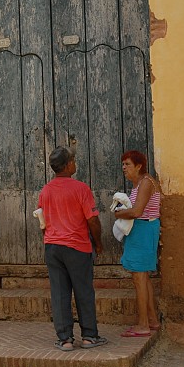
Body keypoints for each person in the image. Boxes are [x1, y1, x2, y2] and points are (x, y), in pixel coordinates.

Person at [38, 146, 108, 351]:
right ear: (68, 165)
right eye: (74, 160)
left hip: (53, 247)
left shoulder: (46, 190)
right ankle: (89, 337)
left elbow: (42, 220)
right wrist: (98, 243)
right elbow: (93, 220)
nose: (75, 163)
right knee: (84, 290)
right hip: (77, 246)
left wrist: (50, 240)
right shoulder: (80, 189)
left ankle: (65, 339)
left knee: (59, 293)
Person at [114, 150, 161, 337]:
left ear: (139, 166)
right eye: (123, 164)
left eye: (128, 164)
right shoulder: (140, 184)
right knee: (142, 278)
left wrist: (118, 213)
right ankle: (152, 320)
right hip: (141, 232)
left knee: (139, 279)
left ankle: (143, 325)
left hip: (143, 231)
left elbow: (137, 212)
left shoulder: (145, 183)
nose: (124, 168)